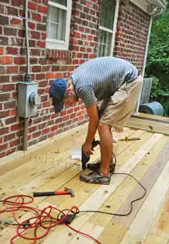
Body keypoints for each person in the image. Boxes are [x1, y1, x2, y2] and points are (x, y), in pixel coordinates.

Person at [49, 57, 143, 185]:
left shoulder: (83, 87)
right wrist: (90, 139)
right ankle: (108, 162)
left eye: (66, 102)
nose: (68, 105)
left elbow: (93, 121)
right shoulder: (74, 80)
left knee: (103, 126)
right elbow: (96, 115)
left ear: (69, 91)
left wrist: (87, 143)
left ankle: (104, 173)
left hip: (129, 82)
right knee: (101, 118)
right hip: (119, 82)